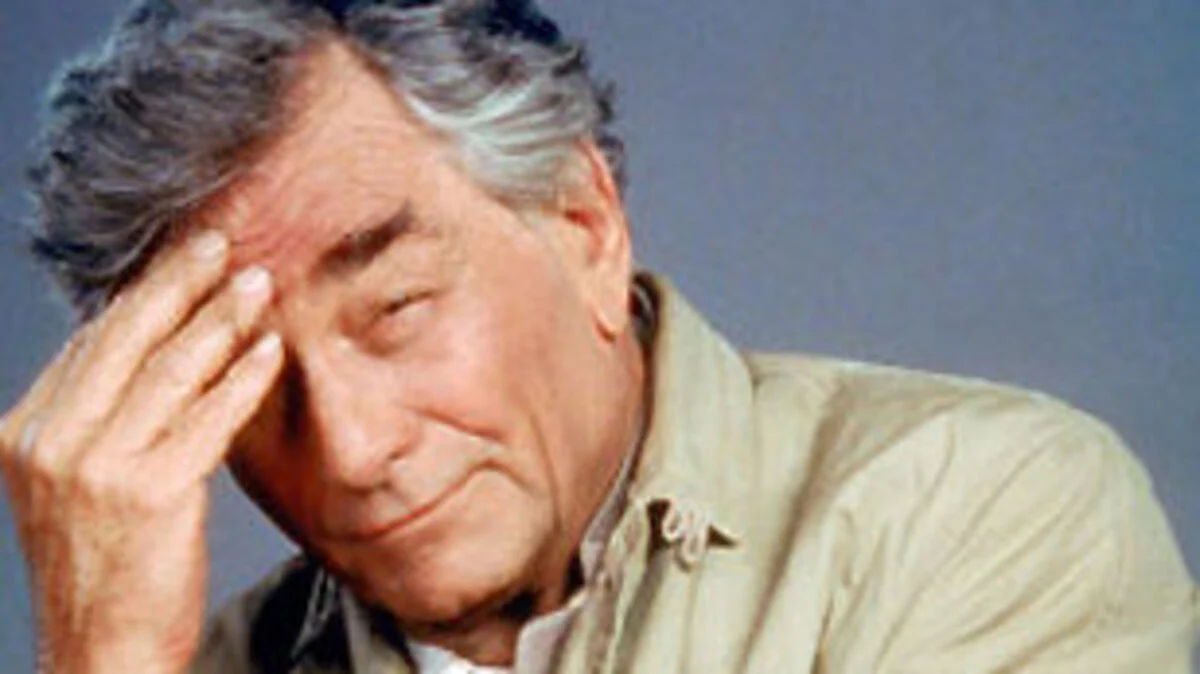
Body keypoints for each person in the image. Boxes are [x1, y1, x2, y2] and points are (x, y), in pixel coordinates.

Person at [1, 1, 1196, 672]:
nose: (353, 450)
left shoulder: (980, 509)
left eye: (396, 308)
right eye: (248, 378)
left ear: (584, 224)